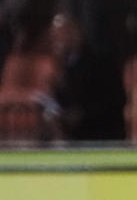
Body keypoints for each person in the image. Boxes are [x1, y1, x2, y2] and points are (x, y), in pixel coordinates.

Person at [48, 13, 126, 141]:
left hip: (102, 136)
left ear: (75, 33)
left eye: (60, 36)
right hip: (75, 138)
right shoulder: (65, 66)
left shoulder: (101, 62)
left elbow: (116, 99)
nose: (57, 42)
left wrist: (82, 113)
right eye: (54, 37)